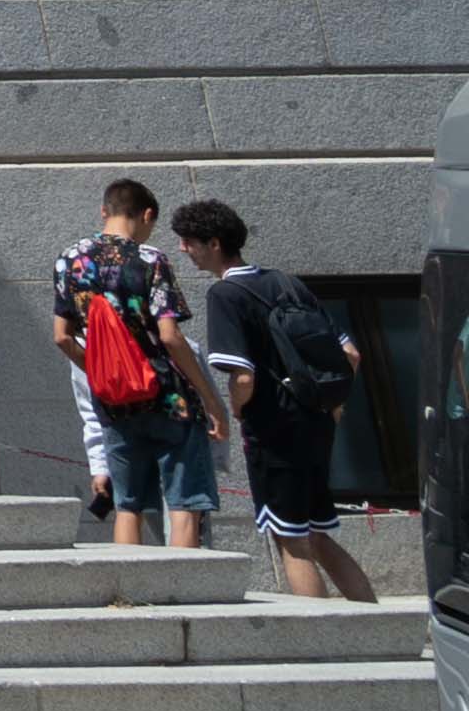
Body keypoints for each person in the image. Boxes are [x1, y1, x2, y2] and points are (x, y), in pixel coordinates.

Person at [178, 199, 374, 600]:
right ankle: (375, 624)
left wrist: (234, 409)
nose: (183, 249)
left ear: (214, 243)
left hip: (274, 428)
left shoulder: (226, 294)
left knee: (291, 540)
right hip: (317, 422)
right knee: (318, 535)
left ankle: (316, 647)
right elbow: (351, 354)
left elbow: (243, 375)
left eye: (189, 241)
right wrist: (332, 407)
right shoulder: (287, 282)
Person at [50, 180, 219, 550]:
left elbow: (62, 336)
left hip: (114, 401)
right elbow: (171, 337)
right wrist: (210, 400)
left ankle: (130, 594)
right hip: (168, 396)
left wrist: (99, 369)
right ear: (146, 215)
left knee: (128, 505)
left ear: (104, 211)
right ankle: (183, 596)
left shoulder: (67, 262)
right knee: (184, 504)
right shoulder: (150, 259)